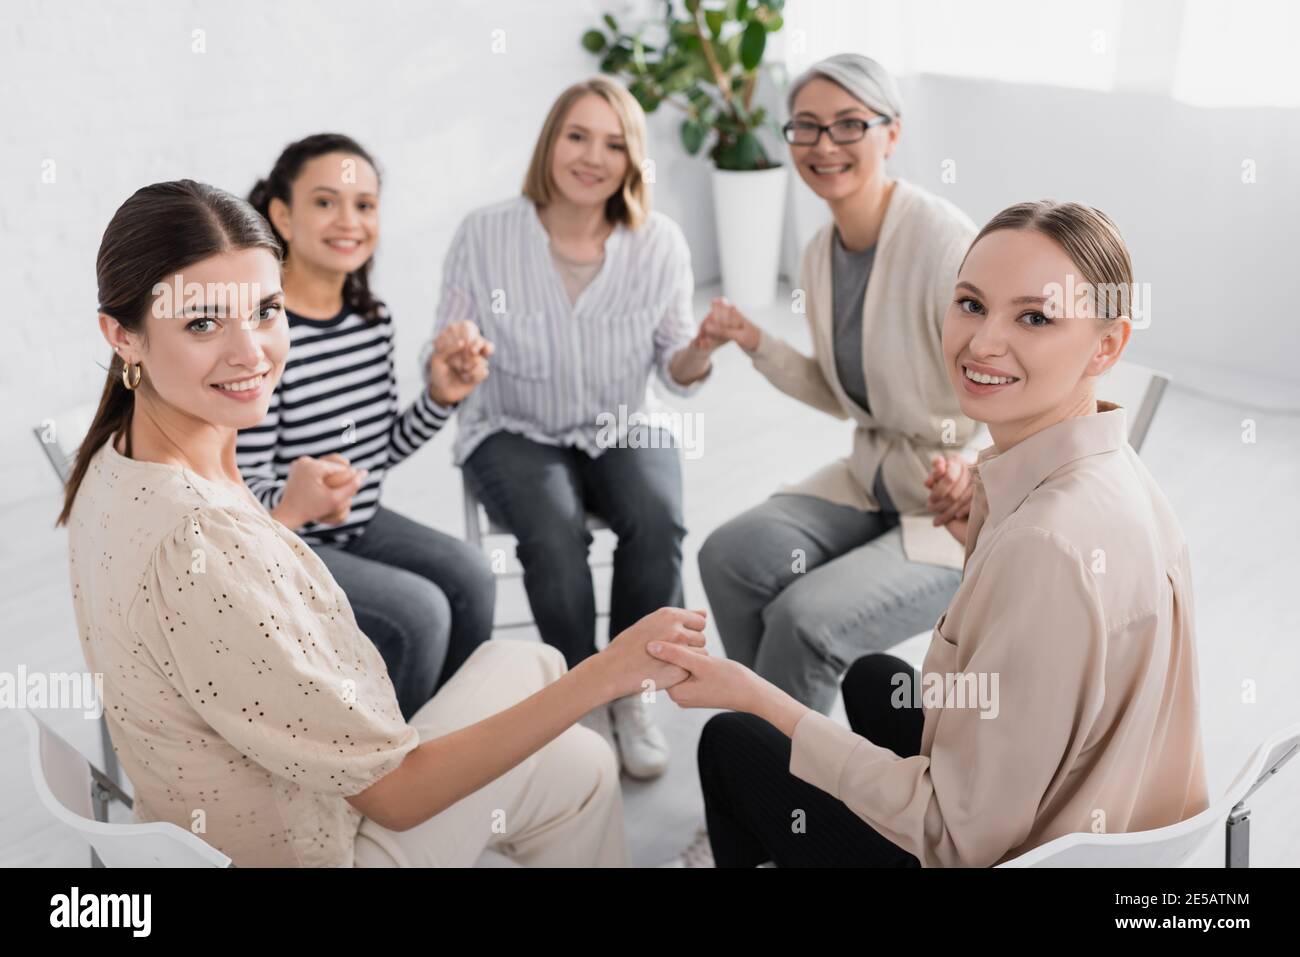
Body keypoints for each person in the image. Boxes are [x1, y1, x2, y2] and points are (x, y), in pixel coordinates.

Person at [60, 179, 708, 867]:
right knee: (578, 753)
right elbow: (396, 795)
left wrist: (285, 516)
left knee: (537, 665)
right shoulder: (200, 539)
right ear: (121, 334)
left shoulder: (115, 459)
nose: (250, 352)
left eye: (266, 310)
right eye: (201, 322)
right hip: (320, 846)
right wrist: (609, 672)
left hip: (230, 810)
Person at [654, 200, 1209, 867]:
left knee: (736, 739)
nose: (982, 343)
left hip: (1011, 850)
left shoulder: (1047, 546)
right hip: (1095, 805)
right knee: (874, 678)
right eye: (971, 303)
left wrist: (754, 694)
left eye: (1034, 316)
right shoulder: (1117, 477)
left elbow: (956, 837)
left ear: (1108, 344)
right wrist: (983, 527)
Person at [428, 77, 721, 778]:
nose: (593, 156)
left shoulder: (659, 244)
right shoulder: (486, 233)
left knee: (659, 516)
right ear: (550, 142)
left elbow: (674, 373)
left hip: (622, 418)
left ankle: (634, 690)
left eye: (614, 144)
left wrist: (703, 347)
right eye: (577, 136)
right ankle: (579, 692)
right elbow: (446, 344)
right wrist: (456, 354)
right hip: (513, 423)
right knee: (554, 533)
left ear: (633, 160)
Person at [695, 54, 982, 716]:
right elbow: (848, 394)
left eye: (849, 124)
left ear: (892, 133)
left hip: (954, 509)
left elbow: (1017, 376)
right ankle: (760, 750)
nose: (825, 146)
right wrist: (755, 342)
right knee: (729, 557)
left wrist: (976, 467)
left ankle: (788, 798)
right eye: (807, 127)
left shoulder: (945, 243)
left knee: (804, 618)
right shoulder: (820, 254)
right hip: (872, 476)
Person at [236, 133, 496, 720]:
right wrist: (300, 500)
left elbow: (378, 451)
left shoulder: (371, 320)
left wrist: (440, 397)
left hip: (359, 524)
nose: (348, 220)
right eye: (325, 202)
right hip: (288, 540)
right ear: (282, 214)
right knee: (421, 612)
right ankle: (385, 768)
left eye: (365, 204)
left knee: (474, 575)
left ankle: (449, 738)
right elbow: (241, 487)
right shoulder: (261, 334)